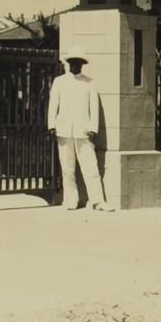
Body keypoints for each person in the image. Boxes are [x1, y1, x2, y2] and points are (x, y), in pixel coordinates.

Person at [47, 48, 115, 212]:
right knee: (67, 169)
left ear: (82, 64)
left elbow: (94, 107)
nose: (75, 65)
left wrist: (93, 128)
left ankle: (98, 201)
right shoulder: (59, 82)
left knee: (91, 168)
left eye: (78, 62)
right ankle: (71, 200)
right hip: (64, 130)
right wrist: (52, 125)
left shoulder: (89, 82)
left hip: (83, 131)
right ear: (68, 64)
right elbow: (53, 105)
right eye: (72, 62)